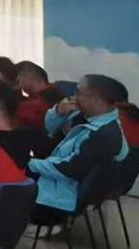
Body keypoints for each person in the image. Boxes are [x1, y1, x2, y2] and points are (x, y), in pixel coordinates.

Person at [28, 75, 129, 216]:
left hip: (59, 197)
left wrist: (29, 163)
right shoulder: (84, 115)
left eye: (79, 93)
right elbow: (50, 128)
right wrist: (59, 112)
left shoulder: (104, 134)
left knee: (5, 185)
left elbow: (68, 170)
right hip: (56, 179)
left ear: (96, 98)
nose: (74, 97)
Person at [14, 60, 58, 130]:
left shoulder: (32, 106)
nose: (16, 82)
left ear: (29, 77)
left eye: (17, 79)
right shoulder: (56, 92)